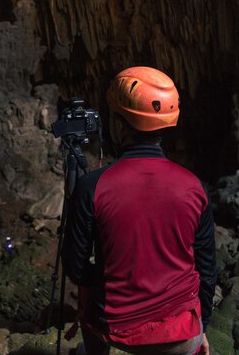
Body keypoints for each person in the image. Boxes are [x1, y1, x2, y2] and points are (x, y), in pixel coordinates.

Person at [62, 66, 217, 355]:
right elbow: (207, 272)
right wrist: (201, 327)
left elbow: (74, 265)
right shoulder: (194, 187)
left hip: (117, 333)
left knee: (90, 320)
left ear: (120, 126)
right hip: (182, 336)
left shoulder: (91, 187)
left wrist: (113, 281)